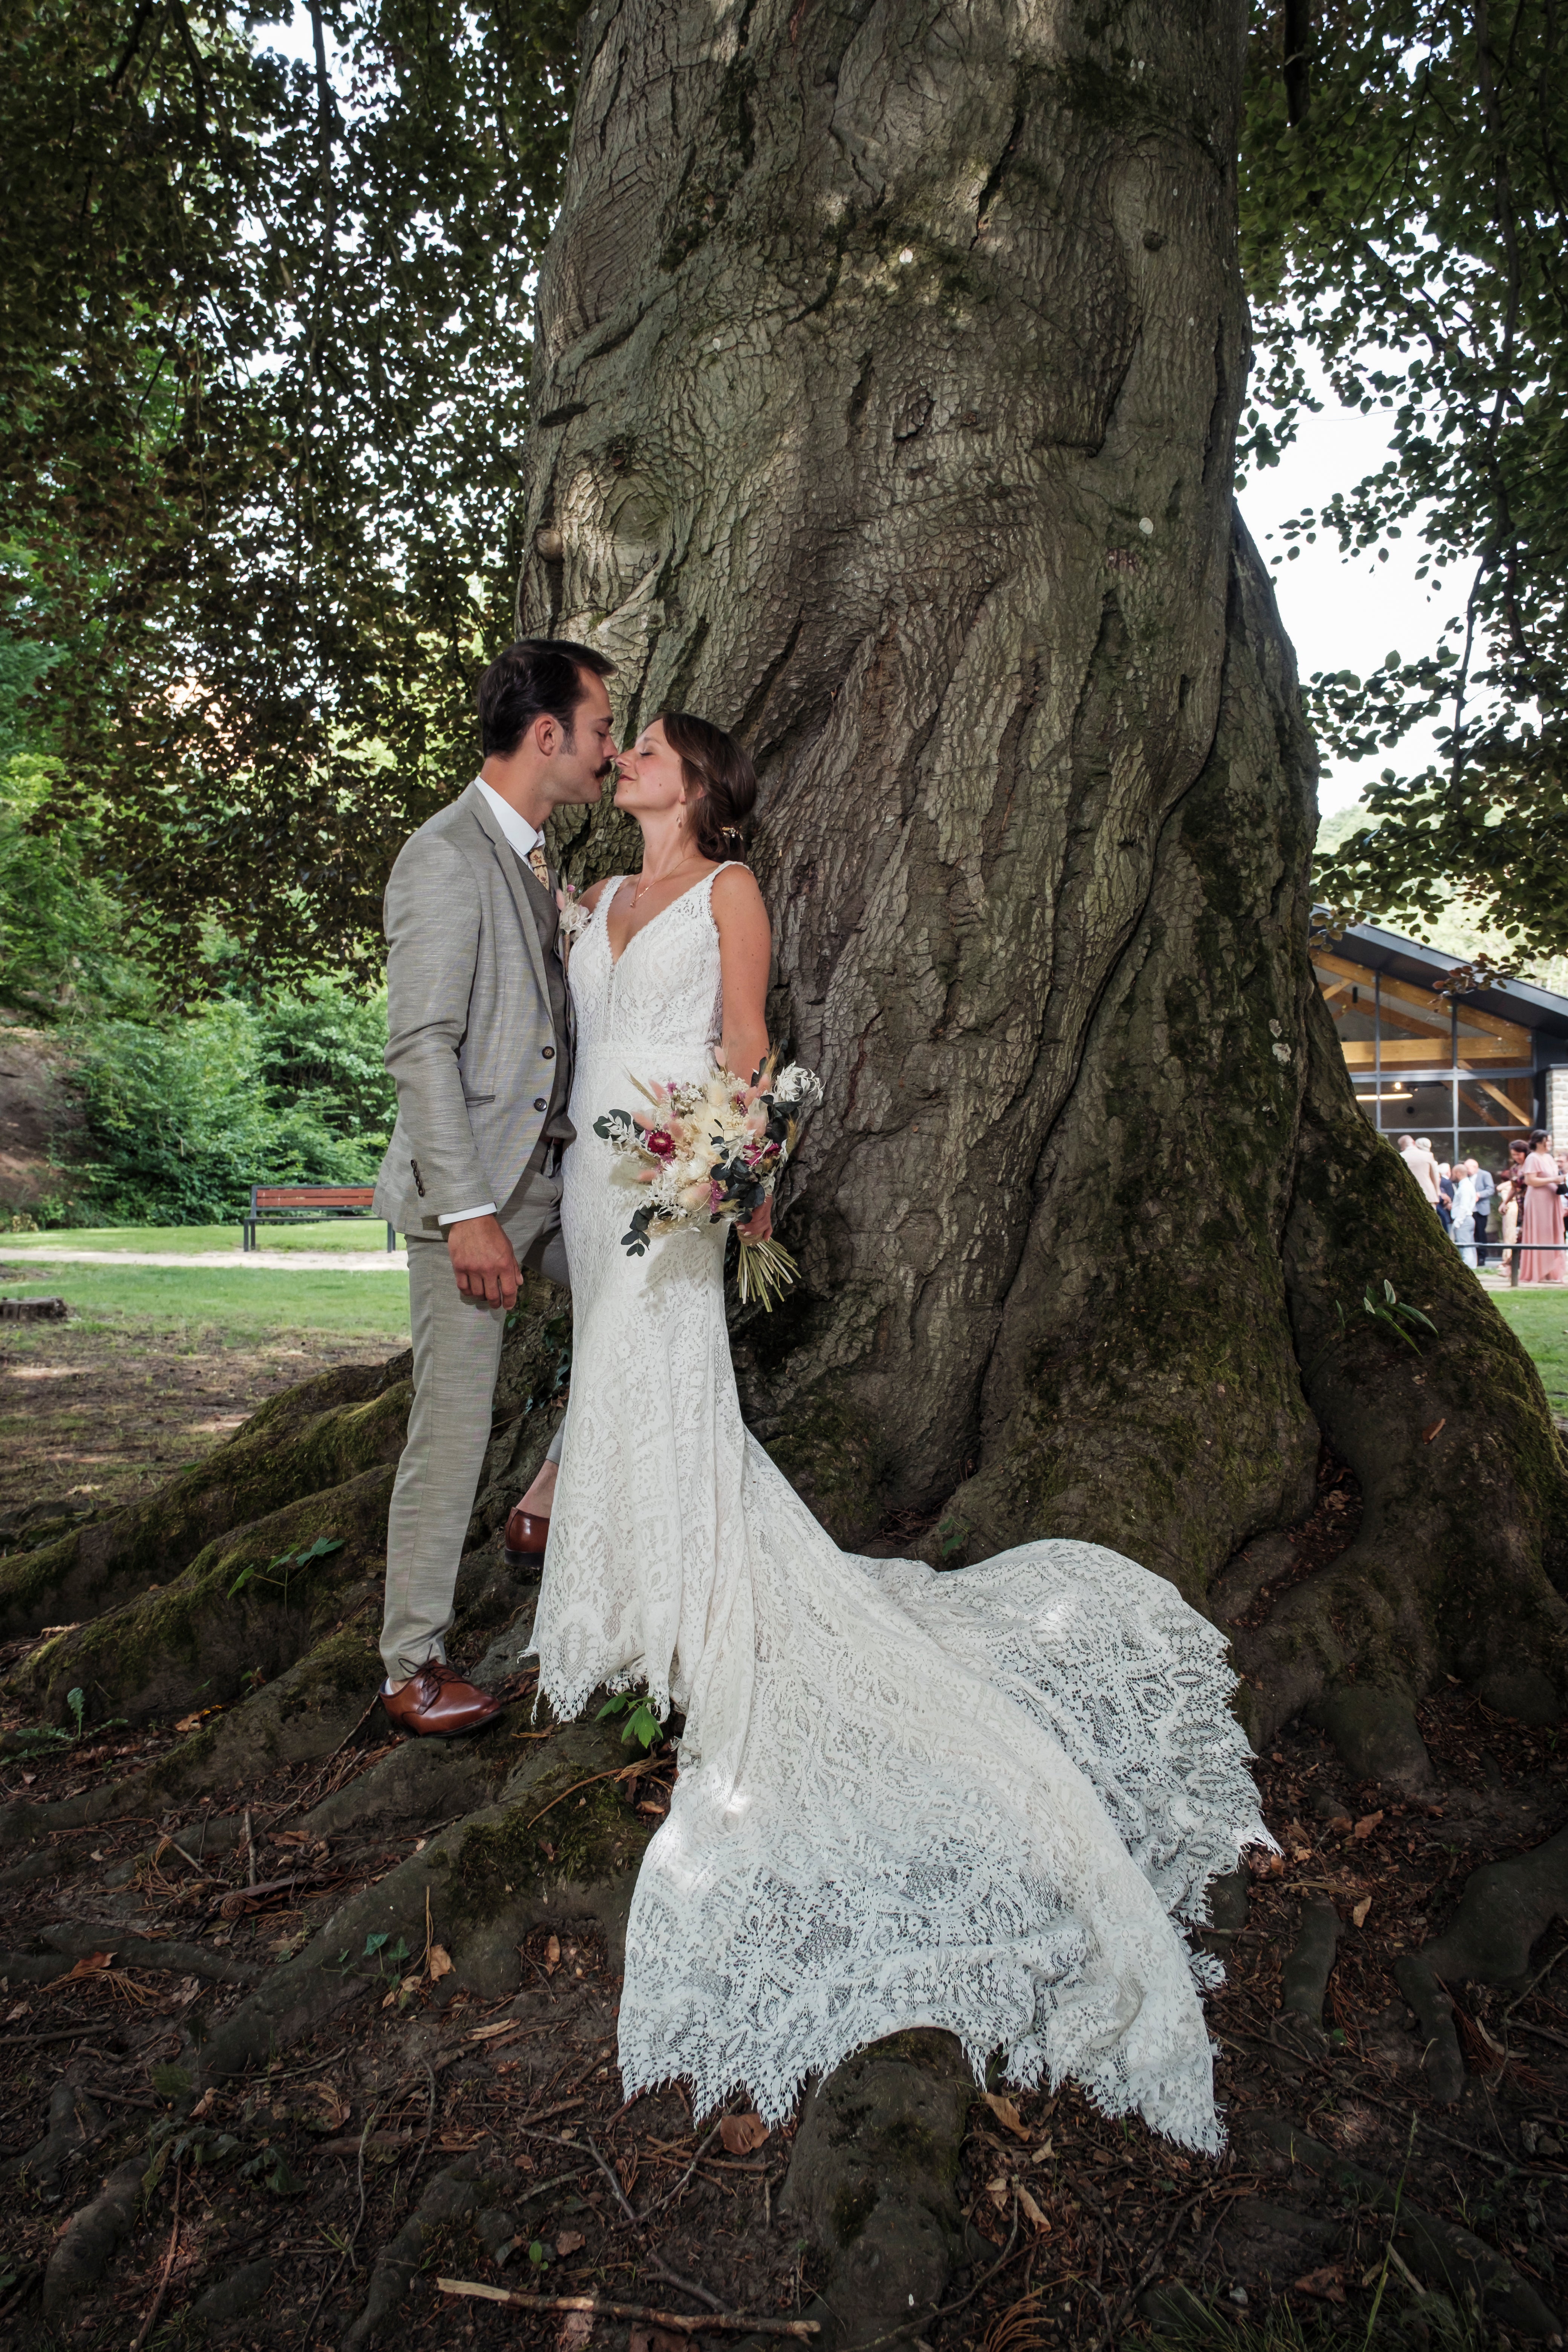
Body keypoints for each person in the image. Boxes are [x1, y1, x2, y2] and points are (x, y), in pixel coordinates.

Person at [528, 709, 1271, 2154]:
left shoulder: (726, 889)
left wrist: (729, 1176)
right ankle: (629, 1597)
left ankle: (685, 1601)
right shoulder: (599, 898)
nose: (628, 762)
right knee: (604, 1385)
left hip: (673, 1183)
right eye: (625, 748)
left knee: (663, 1379)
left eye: (652, 750)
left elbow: (748, 1043)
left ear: (701, 782)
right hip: (587, 1175)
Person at [371, 638, 618, 1735]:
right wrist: (468, 1214)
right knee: (452, 1424)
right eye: (604, 728)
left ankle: (547, 1495)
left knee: (650, 1283)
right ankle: (409, 1664)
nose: (612, 752)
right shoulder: (444, 855)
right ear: (550, 733)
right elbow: (420, 1045)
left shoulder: (531, 860)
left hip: (549, 1189)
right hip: (469, 1200)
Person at [1519, 1127, 1566, 1284]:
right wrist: (1553, 1180)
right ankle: (1536, 1271)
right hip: (1539, 1201)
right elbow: (1530, 1181)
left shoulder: (1549, 1158)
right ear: (1540, 1142)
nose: (1551, 1144)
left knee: (1552, 1232)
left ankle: (1550, 1271)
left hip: (1552, 1199)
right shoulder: (1533, 1158)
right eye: (1548, 1141)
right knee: (1540, 1232)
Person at [1450, 1162, 1477, 1268]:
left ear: (1458, 1173)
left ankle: (1468, 1267)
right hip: (1467, 1219)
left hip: (1464, 1220)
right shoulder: (1467, 1185)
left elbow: (1464, 1206)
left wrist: (1458, 1222)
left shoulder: (1465, 1187)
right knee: (1469, 1245)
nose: (1452, 1176)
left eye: (1453, 1174)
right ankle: (1471, 1266)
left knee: (1465, 1245)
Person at [1404, 1136, 1442, 1209]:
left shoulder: (1406, 1156)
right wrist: (1437, 1194)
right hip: (1428, 1195)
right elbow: (1435, 1178)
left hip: (1412, 1196)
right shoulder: (1429, 1157)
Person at [1470, 1159, 1495, 1264]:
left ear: (1475, 1167)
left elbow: (1491, 1190)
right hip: (1470, 1210)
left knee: (1481, 1233)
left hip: (1481, 1209)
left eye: (1468, 1168)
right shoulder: (1467, 1177)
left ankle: (1482, 1257)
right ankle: (1474, 1257)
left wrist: (1479, 1195)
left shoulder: (1485, 1175)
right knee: (1473, 1234)